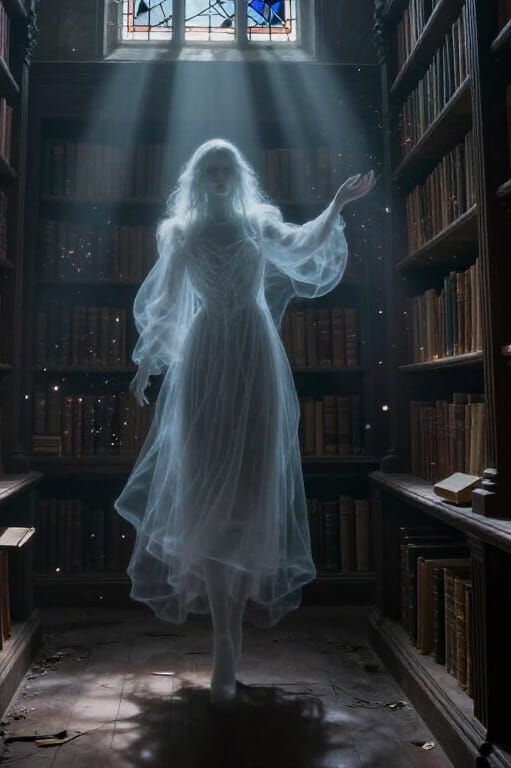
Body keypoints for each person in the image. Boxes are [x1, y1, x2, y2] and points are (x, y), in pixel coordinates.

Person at [113, 138, 376, 704]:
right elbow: (163, 305)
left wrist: (335, 205)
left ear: (239, 176)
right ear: (196, 176)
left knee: (250, 489)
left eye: (225, 168)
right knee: (203, 487)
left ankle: (230, 639)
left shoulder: (259, 223)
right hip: (206, 358)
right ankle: (222, 641)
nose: (216, 176)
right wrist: (145, 367)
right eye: (207, 168)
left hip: (255, 357)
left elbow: (304, 244)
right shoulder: (181, 234)